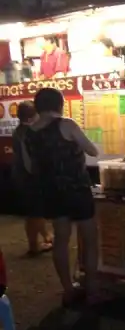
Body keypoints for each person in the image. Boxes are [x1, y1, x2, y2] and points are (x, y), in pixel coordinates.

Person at [20, 88, 100, 307]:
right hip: (78, 190)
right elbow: (93, 151)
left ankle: (68, 289)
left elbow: (29, 167)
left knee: (61, 241)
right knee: (90, 240)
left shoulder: (29, 133)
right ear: (59, 104)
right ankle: (92, 291)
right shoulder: (67, 124)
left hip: (52, 193)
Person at [12, 101, 52, 256]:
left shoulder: (19, 131)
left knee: (36, 211)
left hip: (21, 176)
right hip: (29, 178)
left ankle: (45, 236)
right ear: (31, 117)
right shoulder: (28, 134)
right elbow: (30, 162)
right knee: (34, 213)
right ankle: (34, 246)